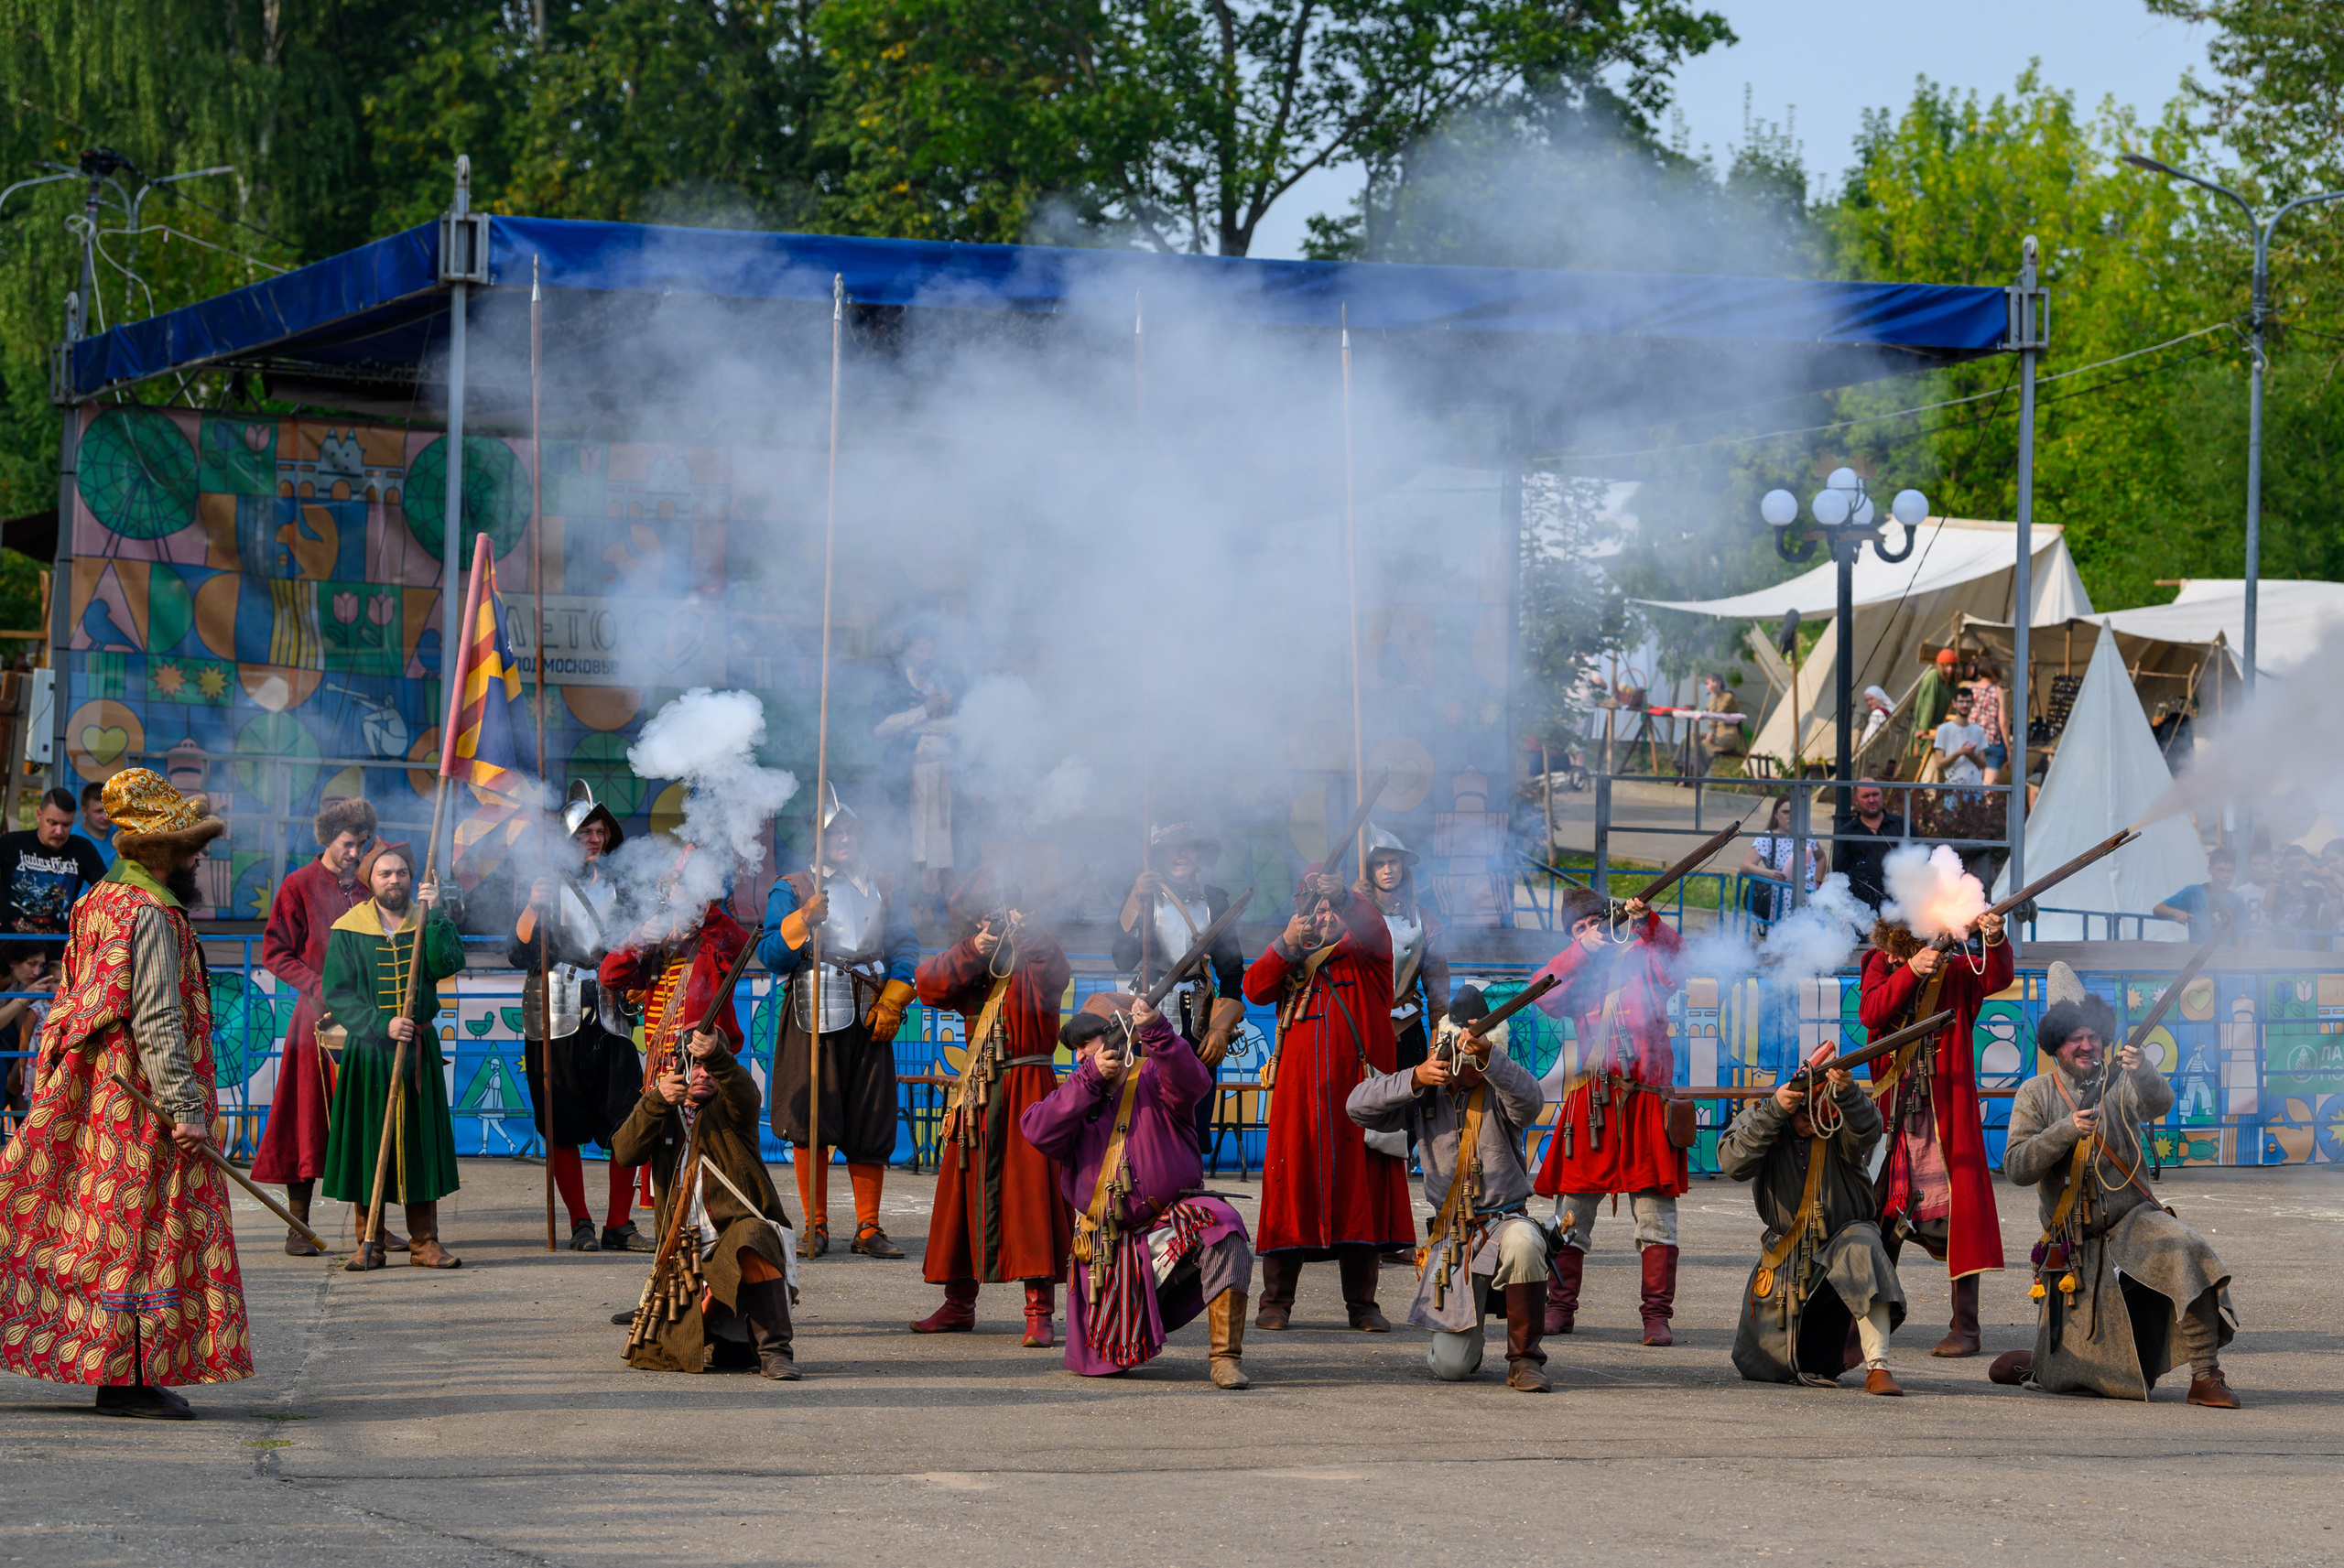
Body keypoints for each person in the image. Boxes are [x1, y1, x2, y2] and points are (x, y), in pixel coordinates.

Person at [0, 767, 245, 1417]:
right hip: (140, 1102)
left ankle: (120, 1369)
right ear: (163, 851)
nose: (198, 855)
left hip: (97, 1097)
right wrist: (185, 1109)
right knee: (140, 1235)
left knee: (97, 1232)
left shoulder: (97, 898)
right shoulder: (151, 913)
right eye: (191, 844)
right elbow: (158, 1018)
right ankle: (127, 1379)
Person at [1995, 963, 2238, 1407]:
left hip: (2132, 1219)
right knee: (2068, 1379)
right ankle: (2040, 1361)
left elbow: (2158, 1104)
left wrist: (2143, 1071)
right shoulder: (2035, 1093)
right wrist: (2065, 1130)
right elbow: (2016, 1167)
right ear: (2057, 1047)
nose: (2087, 1045)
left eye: (2093, 1036)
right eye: (2075, 1038)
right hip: (2071, 1241)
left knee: (2187, 1248)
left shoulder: (2122, 1080)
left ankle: (2207, 1376)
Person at [1021, 995, 1254, 1387]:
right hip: (1108, 1245)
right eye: (1074, 1049)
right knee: (1105, 1361)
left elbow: (1195, 1080)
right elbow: (1037, 1130)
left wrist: (1159, 1032)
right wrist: (1089, 1080)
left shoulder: (1154, 1076)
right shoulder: (1078, 1090)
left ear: (1115, 1038)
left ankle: (1225, 1359)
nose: (1078, 1057)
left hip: (1168, 1222)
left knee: (1224, 1224)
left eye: (1085, 1045)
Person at [1347, 988, 1552, 1391]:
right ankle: (1469, 1339)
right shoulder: (1425, 1089)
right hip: (1453, 1236)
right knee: (1450, 1368)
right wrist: (1415, 1077)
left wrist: (1491, 1059)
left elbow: (1530, 1102)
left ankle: (1525, 1360)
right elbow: (1357, 1107)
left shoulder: (1501, 1086)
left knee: (1526, 1242)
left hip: (1503, 1222)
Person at [1242, 867, 1414, 1332]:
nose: (1324, 917)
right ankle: (1275, 1302)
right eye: (1315, 911)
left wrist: (1344, 896)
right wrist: (1285, 942)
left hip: (1359, 1100)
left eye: (1330, 909)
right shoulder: (1292, 959)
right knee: (1288, 1190)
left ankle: (1363, 1305)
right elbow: (1254, 987)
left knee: (1362, 1193)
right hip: (1299, 1104)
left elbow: (1374, 927)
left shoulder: (1369, 951)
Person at [909, 874, 1074, 1345]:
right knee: (961, 1197)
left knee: (1031, 1199)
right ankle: (959, 1305)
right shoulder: (977, 959)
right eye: (984, 917)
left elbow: (1055, 973)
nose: (991, 922)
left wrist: (1027, 932)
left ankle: (1039, 1313)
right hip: (977, 1092)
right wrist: (975, 949)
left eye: (996, 915)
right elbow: (929, 987)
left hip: (1028, 1087)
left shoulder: (1036, 953)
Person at [761, 792, 920, 1260]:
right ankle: (816, 1226)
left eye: (851, 831)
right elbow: (772, 956)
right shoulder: (790, 888)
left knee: (872, 1119)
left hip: (872, 1011)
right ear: (819, 840)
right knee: (812, 1117)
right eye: (834, 833)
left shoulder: (885, 885)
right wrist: (801, 920)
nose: (845, 839)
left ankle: (868, 1228)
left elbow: (905, 947)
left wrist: (896, 993)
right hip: (812, 1010)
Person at [1526, 889, 1687, 1346]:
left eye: (1594, 924)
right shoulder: (1575, 970)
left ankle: (1657, 1317)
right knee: (1570, 1217)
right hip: (1590, 1106)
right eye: (1579, 929)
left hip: (1645, 1106)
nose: (1589, 932)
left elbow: (1680, 960)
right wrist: (1582, 950)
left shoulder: (1644, 954)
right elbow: (1541, 992)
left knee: (1656, 1221)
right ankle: (1559, 1309)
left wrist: (1646, 921)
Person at [1857, 901, 2010, 1357]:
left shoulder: (1954, 968)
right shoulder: (1881, 963)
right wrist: (1911, 972)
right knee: (1881, 1214)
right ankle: (1870, 1324)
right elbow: (1871, 1013)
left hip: (1946, 1109)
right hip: (1897, 1110)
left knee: (1959, 1215)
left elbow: (1995, 977)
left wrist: (1995, 936)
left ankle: (1966, 1328)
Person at [610, 1020, 799, 1379]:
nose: (704, 1073)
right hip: (685, 1255)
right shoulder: (662, 1111)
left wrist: (716, 1055)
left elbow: (745, 1093)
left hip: (731, 1238)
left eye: (710, 1066)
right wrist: (654, 1101)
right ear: (680, 1068)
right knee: (666, 1350)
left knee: (754, 1235)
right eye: (694, 1064)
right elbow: (624, 1153)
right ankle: (720, 1338)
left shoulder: (732, 1110)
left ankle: (776, 1352)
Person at [1718, 1046, 1908, 1394]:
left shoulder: (1837, 1122)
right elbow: (1732, 1162)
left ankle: (1878, 1367)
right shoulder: (1767, 1116)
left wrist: (1848, 1093)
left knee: (1863, 1244)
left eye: (1819, 1112)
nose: (1812, 1121)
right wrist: (1774, 1110)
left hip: (1844, 1238)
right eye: (1804, 1113)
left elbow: (1869, 1130)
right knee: (1763, 1367)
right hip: (1787, 1253)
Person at [320, 843, 469, 1271]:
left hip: (418, 1054)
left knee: (420, 1144)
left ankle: (425, 1244)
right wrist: (380, 1024)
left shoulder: (428, 921)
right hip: (369, 1054)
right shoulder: (349, 928)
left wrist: (437, 912)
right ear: (371, 880)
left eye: (402, 873)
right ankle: (370, 1243)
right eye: (385, 873)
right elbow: (339, 993)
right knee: (370, 1145)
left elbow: (449, 963)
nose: (394, 880)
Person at [511, 785, 646, 1252]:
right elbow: (518, 952)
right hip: (557, 1008)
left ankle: (618, 1225)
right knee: (561, 1118)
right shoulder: (543, 883)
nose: (595, 838)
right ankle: (580, 1223)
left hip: (610, 1006)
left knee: (628, 1118)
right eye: (586, 831)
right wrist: (532, 904)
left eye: (600, 830)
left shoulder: (621, 886)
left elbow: (635, 949)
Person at [251, 796, 386, 1256]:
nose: (356, 852)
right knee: (303, 1120)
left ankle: (374, 1226)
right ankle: (299, 1225)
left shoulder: (370, 886)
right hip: (316, 1019)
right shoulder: (298, 885)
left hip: (369, 1020)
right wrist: (319, 987)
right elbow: (276, 953)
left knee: (370, 1122)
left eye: (362, 844)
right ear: (328, 839)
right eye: (349, 844)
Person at [1111, 822, 1248, 1153]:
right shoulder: (1144, 899)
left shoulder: (1215, 900)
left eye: (1188, 847)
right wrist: (1135, 900)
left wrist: (1220, 1026)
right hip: (1151, 1008)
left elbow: (1231, 971)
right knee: (1148, 1100)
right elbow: (1122, 959)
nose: (1181, 855)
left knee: (1197, 1096)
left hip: (1200, 1012)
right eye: (1172, 848)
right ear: (1159, 857)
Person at [871, 633, 959, 904]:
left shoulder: (947, 682)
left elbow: (961, 725)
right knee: (905, 839)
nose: (928, 656)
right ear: (910, 652)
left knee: (939, 843)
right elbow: (880, 729)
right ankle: (903, 903)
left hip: (941, 777)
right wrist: (923, 712)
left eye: (932, 651)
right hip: (906, 778)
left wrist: (916, 725)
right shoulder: (893, 684)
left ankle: (933, 903)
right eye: (922, 650)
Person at [0, 786, 111, 933]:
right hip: (11, 944)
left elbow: (108, 892)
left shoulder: (82, 848)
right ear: (39, 815)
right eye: (52, 823)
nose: (59, 831)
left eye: (66, 825)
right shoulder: (11, 843)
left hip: (59, 947)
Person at [1738, 795, 1826, 924]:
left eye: (1794, 812)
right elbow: (1745, 866)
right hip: (1780, 899)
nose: (1790, 816)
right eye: (1785, 812)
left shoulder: (1807, 835)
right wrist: (1769, 874)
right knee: (1782, 937)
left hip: (1809, 897)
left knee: (1808, 938)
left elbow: (1821, 857)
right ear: (1775, 814)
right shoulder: (1768, 838)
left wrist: (1818, 881)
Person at [0, 941, 59, 1130]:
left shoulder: (19, 984)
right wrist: (25, 998)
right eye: (31, 964)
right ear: (12, 961)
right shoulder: (19, 988)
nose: (36, 972)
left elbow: (21, 1027)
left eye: (40, 966)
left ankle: (23, 1134)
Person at [1833, 779, 1908, 914]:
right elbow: (1839, 872)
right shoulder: (1846, 833)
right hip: (1862, 910)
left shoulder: (1903, 825)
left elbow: (1923, 862)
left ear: (1882, 796)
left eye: (1875, 794)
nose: (1872, 799)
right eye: (1866, 796)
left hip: (1901, 907)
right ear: (1855, 801)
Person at [2151, 848, 2247, 943]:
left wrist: (2238, 957)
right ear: (2210, 870)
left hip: (2226, 955)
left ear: (2234, 873)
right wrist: (2176, 912)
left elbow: (2241, 934)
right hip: (2198, 954)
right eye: (2220, 870)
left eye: (2229, 871)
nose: (2225, 876)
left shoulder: (2238, 901)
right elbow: (2158, 909)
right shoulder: (2194, 893)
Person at [1967, 657, 2012, 785]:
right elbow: (2003, 722)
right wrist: (2008, 749)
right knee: (1990, 790)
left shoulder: (1970, 689)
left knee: (1970, 787)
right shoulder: (1997, 691)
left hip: (1972, 743)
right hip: (1992, 742)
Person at [1929, 689, 1987, 787]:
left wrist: (1971, 755)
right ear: (1954, 704)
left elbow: (1983, 764)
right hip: (1953, 787)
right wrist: (1960, 752)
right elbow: (1939, 764)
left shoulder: (1978, 731)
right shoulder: (1943, 729)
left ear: (1972, 704)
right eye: (1961, 701)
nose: (1965, 705)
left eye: (1968, 702)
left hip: (1975, 786)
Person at [1695, 673, 1746, 774]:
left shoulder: (1728, 697)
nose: (1710, 686)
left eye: (1712, 682)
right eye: (1707, 683)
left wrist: (1713, 694)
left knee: (1702, 745)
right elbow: (1712, 722)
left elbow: (1716, 715)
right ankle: (1683, 772)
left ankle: (1695, 777)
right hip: (1717, 733)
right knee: (1690, 738)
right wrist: (1711, 732)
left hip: (1727, 736)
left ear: (1719, 683)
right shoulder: (1711, 700)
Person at [1909, 648, 1960, 741]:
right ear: (1941, 666)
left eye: (1953, 666)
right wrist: (1923, 728)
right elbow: (1929, 704)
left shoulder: (1952, 685)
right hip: (1926, 729)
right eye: (1947, 666)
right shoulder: (1933, 676)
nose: (1950, 669)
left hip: (1939, 730)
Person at [73, 781, 116, 869]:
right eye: (98, 811)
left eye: (109, 811)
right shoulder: (70, 835)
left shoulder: (121, 835)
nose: (106, 817)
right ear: (84, 811)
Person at [1856, 686, 1895, 752]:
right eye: (1867, 700)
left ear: (1879, 697)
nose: (1869, 703)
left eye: (1871, 699)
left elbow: (1869, 736)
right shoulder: (1891, 710)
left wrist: (1861, 748)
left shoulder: (1877, 713)